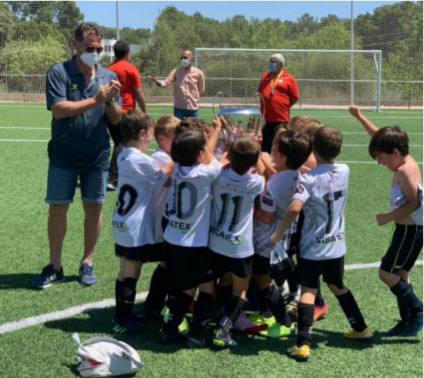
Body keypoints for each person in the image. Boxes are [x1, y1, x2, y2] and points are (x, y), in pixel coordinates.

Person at [271, 126, 373, 361]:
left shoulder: (308, 179)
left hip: (313, 247)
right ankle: (361, 328)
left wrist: (277, 233)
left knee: (308, 291)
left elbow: (295, 208)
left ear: (313, 148)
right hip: (336, 245)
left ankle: (303, 344)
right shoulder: (345, 170)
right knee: (337, 285)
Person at [33, 22, 122, 289]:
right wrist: (96, 99)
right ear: (75, 45)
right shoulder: (59, 72)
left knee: (93, 208)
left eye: (98, 48)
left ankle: (87, 262)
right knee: (58, 208)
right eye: (89, 48)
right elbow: (59, 109)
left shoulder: (106, 76)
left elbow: (117, 119)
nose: (94, 53)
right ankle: (55, 266)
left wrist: (108, 101)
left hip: (96, 156)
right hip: (63, 154)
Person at [160, 117, 222, 347]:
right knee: (205, 286)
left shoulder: (177, 170)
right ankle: (197, 332)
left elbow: (205, 156)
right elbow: (218, 160)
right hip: (193, 244)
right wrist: (217, 131)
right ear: (199, 153)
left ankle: (170, 329)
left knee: (186, 287)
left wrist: (210, 135)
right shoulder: (205, 173)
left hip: (172, 239)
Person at [112, 111, 173, 334]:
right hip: (134, 225)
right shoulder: (140, 158)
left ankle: (120, 315)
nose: (151, 139)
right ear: (142, 133)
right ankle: (123, 320)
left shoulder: (122, 155)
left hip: (120, 221)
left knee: (124, 269)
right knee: (131, 272)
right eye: (149, 134)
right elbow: (162, 180)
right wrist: (178, 160)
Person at [252, 130, 312, 339]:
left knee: (262, 279)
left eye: (275, 148)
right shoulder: (297, 174)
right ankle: (268, 313)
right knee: (264, 275)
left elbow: (266, 217)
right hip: (283, 236)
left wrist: (251, 210)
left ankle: (283, 321)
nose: (272, 150)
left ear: (283, 156)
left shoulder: (275, 184)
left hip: (266, 238)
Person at [208, 137, 265, 348]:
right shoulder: (256, 182)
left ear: (229, 156)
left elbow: (219, 166)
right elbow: (262, 173)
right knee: (240, 289)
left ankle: (218, 315)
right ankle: (224, 328)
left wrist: (227, 155)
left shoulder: (218, 177)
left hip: (215, 241)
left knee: (223, 281)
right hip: (240, 246)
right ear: (254, 161)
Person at [368, 126, 423, 337]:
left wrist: (387, 217)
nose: (380, 163)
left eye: (381, 158)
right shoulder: (406, 161)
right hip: (411, 231)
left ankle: (417, 308)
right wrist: (359, 117)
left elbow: (415, 203)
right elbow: (380, 135)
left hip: (409, 232)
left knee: (385, 272)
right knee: (401, 273)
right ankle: (408, 320)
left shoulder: (403, 170)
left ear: (396, 153)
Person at [106, 40, 147, 191]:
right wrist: (144, 111)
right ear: (128, 54)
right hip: (126, 112)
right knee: (122, 143)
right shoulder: (131, 69)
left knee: (119, 142)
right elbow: (138, 92)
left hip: (110, 111)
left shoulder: (107, 69)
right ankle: (113, 178)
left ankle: (119, 175)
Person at [257, 53, 299, 153]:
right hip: (265, 119)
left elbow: (295, 97)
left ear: (280, 64)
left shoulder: (288, 78)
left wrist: (284, 106)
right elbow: (260, 93)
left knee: (281, 146)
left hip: (280, 119)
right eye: (270, 61)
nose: (270, 64)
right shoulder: (265, 76)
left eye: (273, 62)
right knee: (265, 147)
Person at [148, 50, 205, 119]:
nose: (183, 59)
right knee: (178, 128)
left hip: (193, 109)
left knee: (193, 129)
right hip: (179, 109)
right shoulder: (176, 71)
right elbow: (166, 83)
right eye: (182, 58)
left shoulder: (199, 73)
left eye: (185, 57)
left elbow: (201, 90)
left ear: (191, 58)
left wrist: (193, 98)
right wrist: (156, 81)